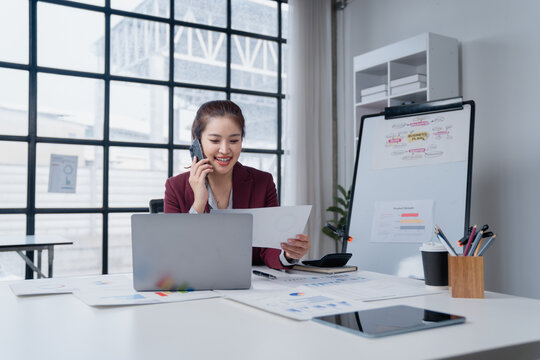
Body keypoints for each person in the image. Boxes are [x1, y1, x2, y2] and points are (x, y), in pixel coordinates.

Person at [164, 100, 310, 269]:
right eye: (215, 140)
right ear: (197, 143)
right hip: (197, 284)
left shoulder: (263, 183)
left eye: (233, 141)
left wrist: (288, 254)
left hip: (250, 287)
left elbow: (268, 250)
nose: (225, 150)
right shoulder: (175, 187)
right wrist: (198, 204)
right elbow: (174, 254)